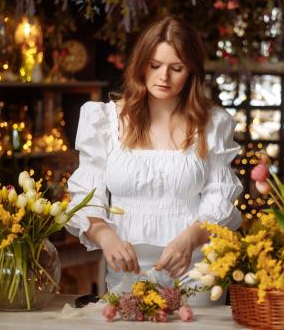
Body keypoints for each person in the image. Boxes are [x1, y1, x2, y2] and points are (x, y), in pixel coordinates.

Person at [65, 16, 243, 297]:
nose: (164, 77)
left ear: (191, 72)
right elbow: (86, 197)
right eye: (155, 65)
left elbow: (219, 199)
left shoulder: (213, 124)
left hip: (194, 268)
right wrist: (107, 237)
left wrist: (189, 240)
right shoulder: (105, 120)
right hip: (126, 270)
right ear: (141, 65)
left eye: (176, 68)